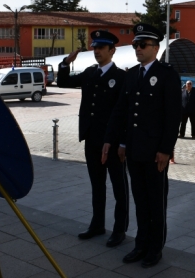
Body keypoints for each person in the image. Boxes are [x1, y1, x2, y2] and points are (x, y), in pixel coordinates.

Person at [104, 23, 180, 267]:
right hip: (134, 150)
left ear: (155, 48)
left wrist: (166, 150)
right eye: (135, 44)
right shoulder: (132, 74)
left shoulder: (167, 74)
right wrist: (120, 142)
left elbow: (172, 116)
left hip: (155, 152)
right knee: (140, 200)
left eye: (142, 44)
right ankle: (141, 244)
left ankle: (155, 248)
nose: (137, 48)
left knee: (156, 202)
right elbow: (124, 112)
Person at [57, 30, 129, 247]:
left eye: (101, 48)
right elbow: (63, 83)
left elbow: (125, 113)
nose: (96, 51)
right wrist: (64, 63)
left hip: (114, 143)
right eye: (95, 47)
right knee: (97, 185)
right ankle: (97, 224)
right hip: (92, 140)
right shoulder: (90, 73)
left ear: (111, 51)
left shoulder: (121, 77)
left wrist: (123, 142)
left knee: (119, 188)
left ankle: (119, 230)